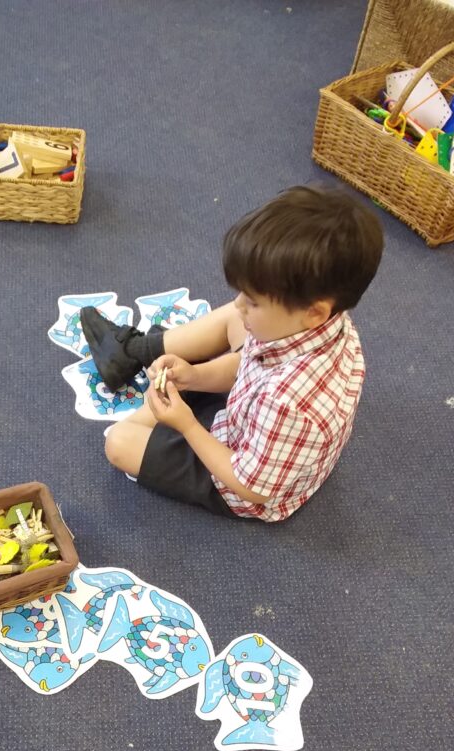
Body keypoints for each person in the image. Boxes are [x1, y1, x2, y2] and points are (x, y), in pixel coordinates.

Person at [80, 185, 384, 522]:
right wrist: (195, 376)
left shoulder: (288, 402)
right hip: (260, 417)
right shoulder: (318, 323)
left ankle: (146, 380)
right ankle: (135, 351)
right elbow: (251, 363)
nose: (240, 301)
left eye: (253, 300)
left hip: (237, 481)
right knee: (235, 319)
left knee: (119, 442)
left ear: (315, 312)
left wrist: (187, 425)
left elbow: (250, 486)